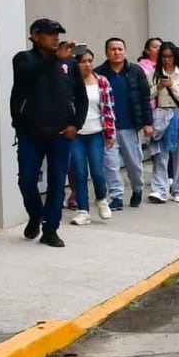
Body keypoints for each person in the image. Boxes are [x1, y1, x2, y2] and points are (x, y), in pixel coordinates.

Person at [10, 19, 88, 247]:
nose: (55, 38)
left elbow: (80, 97)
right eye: (49, 34)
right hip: (29, 134)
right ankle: (35, 214)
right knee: (26, 179)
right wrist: (55, 58)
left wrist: (76, 124)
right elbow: (28, 76)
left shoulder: (69, 64)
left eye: (57, 34)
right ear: (35, 36)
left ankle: (50, 229)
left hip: (61, 134)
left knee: (57, 182)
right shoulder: (23, 59)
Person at [97, 38, 153, 209]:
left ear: (125, 51)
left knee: (134, 164)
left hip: (130, 126)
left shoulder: (135, 71)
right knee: (110, 165)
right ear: (106, 52)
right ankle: (117, 196)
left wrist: (147, 122)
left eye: (120, 49)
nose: (116, 52)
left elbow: (145, 98)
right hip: (108, 128)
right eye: (112, 49)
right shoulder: (99, 73)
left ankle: (137, 189)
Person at [67, 46, 114, 225]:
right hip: (76, 135)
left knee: (97, 171)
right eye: (83, 62)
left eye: (89, 61)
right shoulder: (70, 83)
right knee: (79, 172)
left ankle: (101, 199)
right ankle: (83, 210)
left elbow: (109, 109)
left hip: (96, 133)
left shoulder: (101, 81)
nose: (87, 65)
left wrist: (110, 133)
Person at [148, 41, 179, 203]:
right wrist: (158, 87)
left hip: (177, 114)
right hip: (160, 115)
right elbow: (147, 95)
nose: (167, 60)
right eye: (164, 57)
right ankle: (160, 190)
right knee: (160, 154)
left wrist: (172, 84)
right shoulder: (153, 72)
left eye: (170, 57)